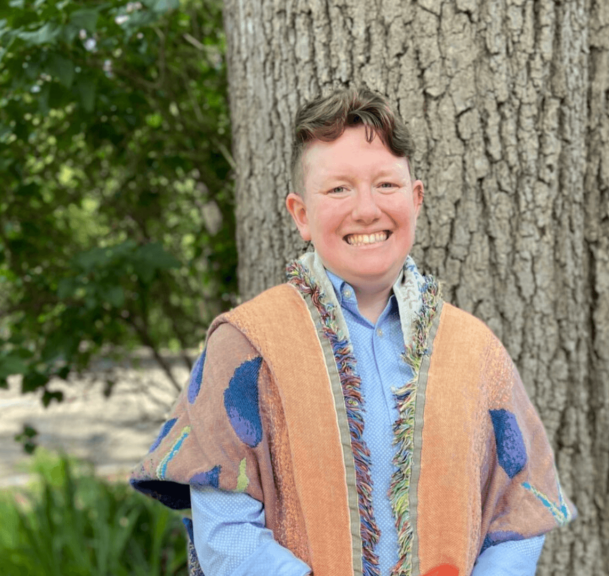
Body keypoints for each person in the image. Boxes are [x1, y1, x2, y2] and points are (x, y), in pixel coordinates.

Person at [130, 87, 577, 576]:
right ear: (301, 214)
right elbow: (226, 538)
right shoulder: (246, 344)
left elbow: (520, 515)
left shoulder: (474, 349)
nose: (366, 209)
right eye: (339, 188)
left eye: (385, 184)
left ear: (416, 198)